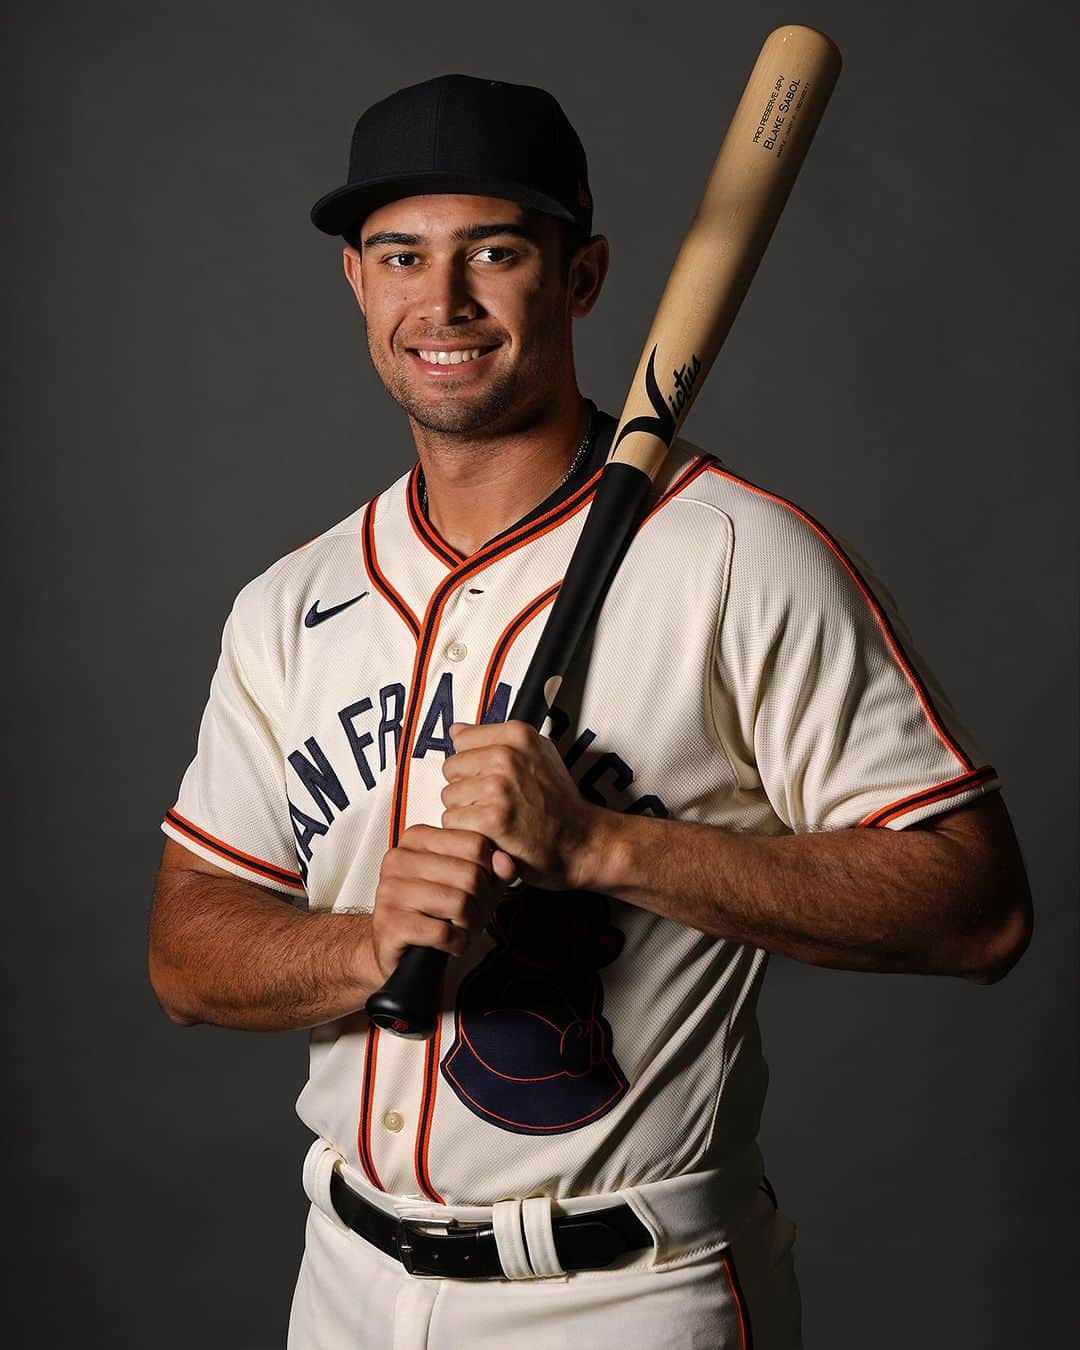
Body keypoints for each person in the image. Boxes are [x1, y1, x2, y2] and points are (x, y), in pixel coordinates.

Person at [148, 74, 1032, 1349]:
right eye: (401, 255)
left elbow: (980, 907)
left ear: (583, 275)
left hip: (626, 1290)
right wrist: (364, 943)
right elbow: (186, 953)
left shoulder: (735, 556)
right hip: (342, 1279)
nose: (440, 304)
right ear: (357, 281)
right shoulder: (292, 602)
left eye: (494, 252)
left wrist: (609, 848)